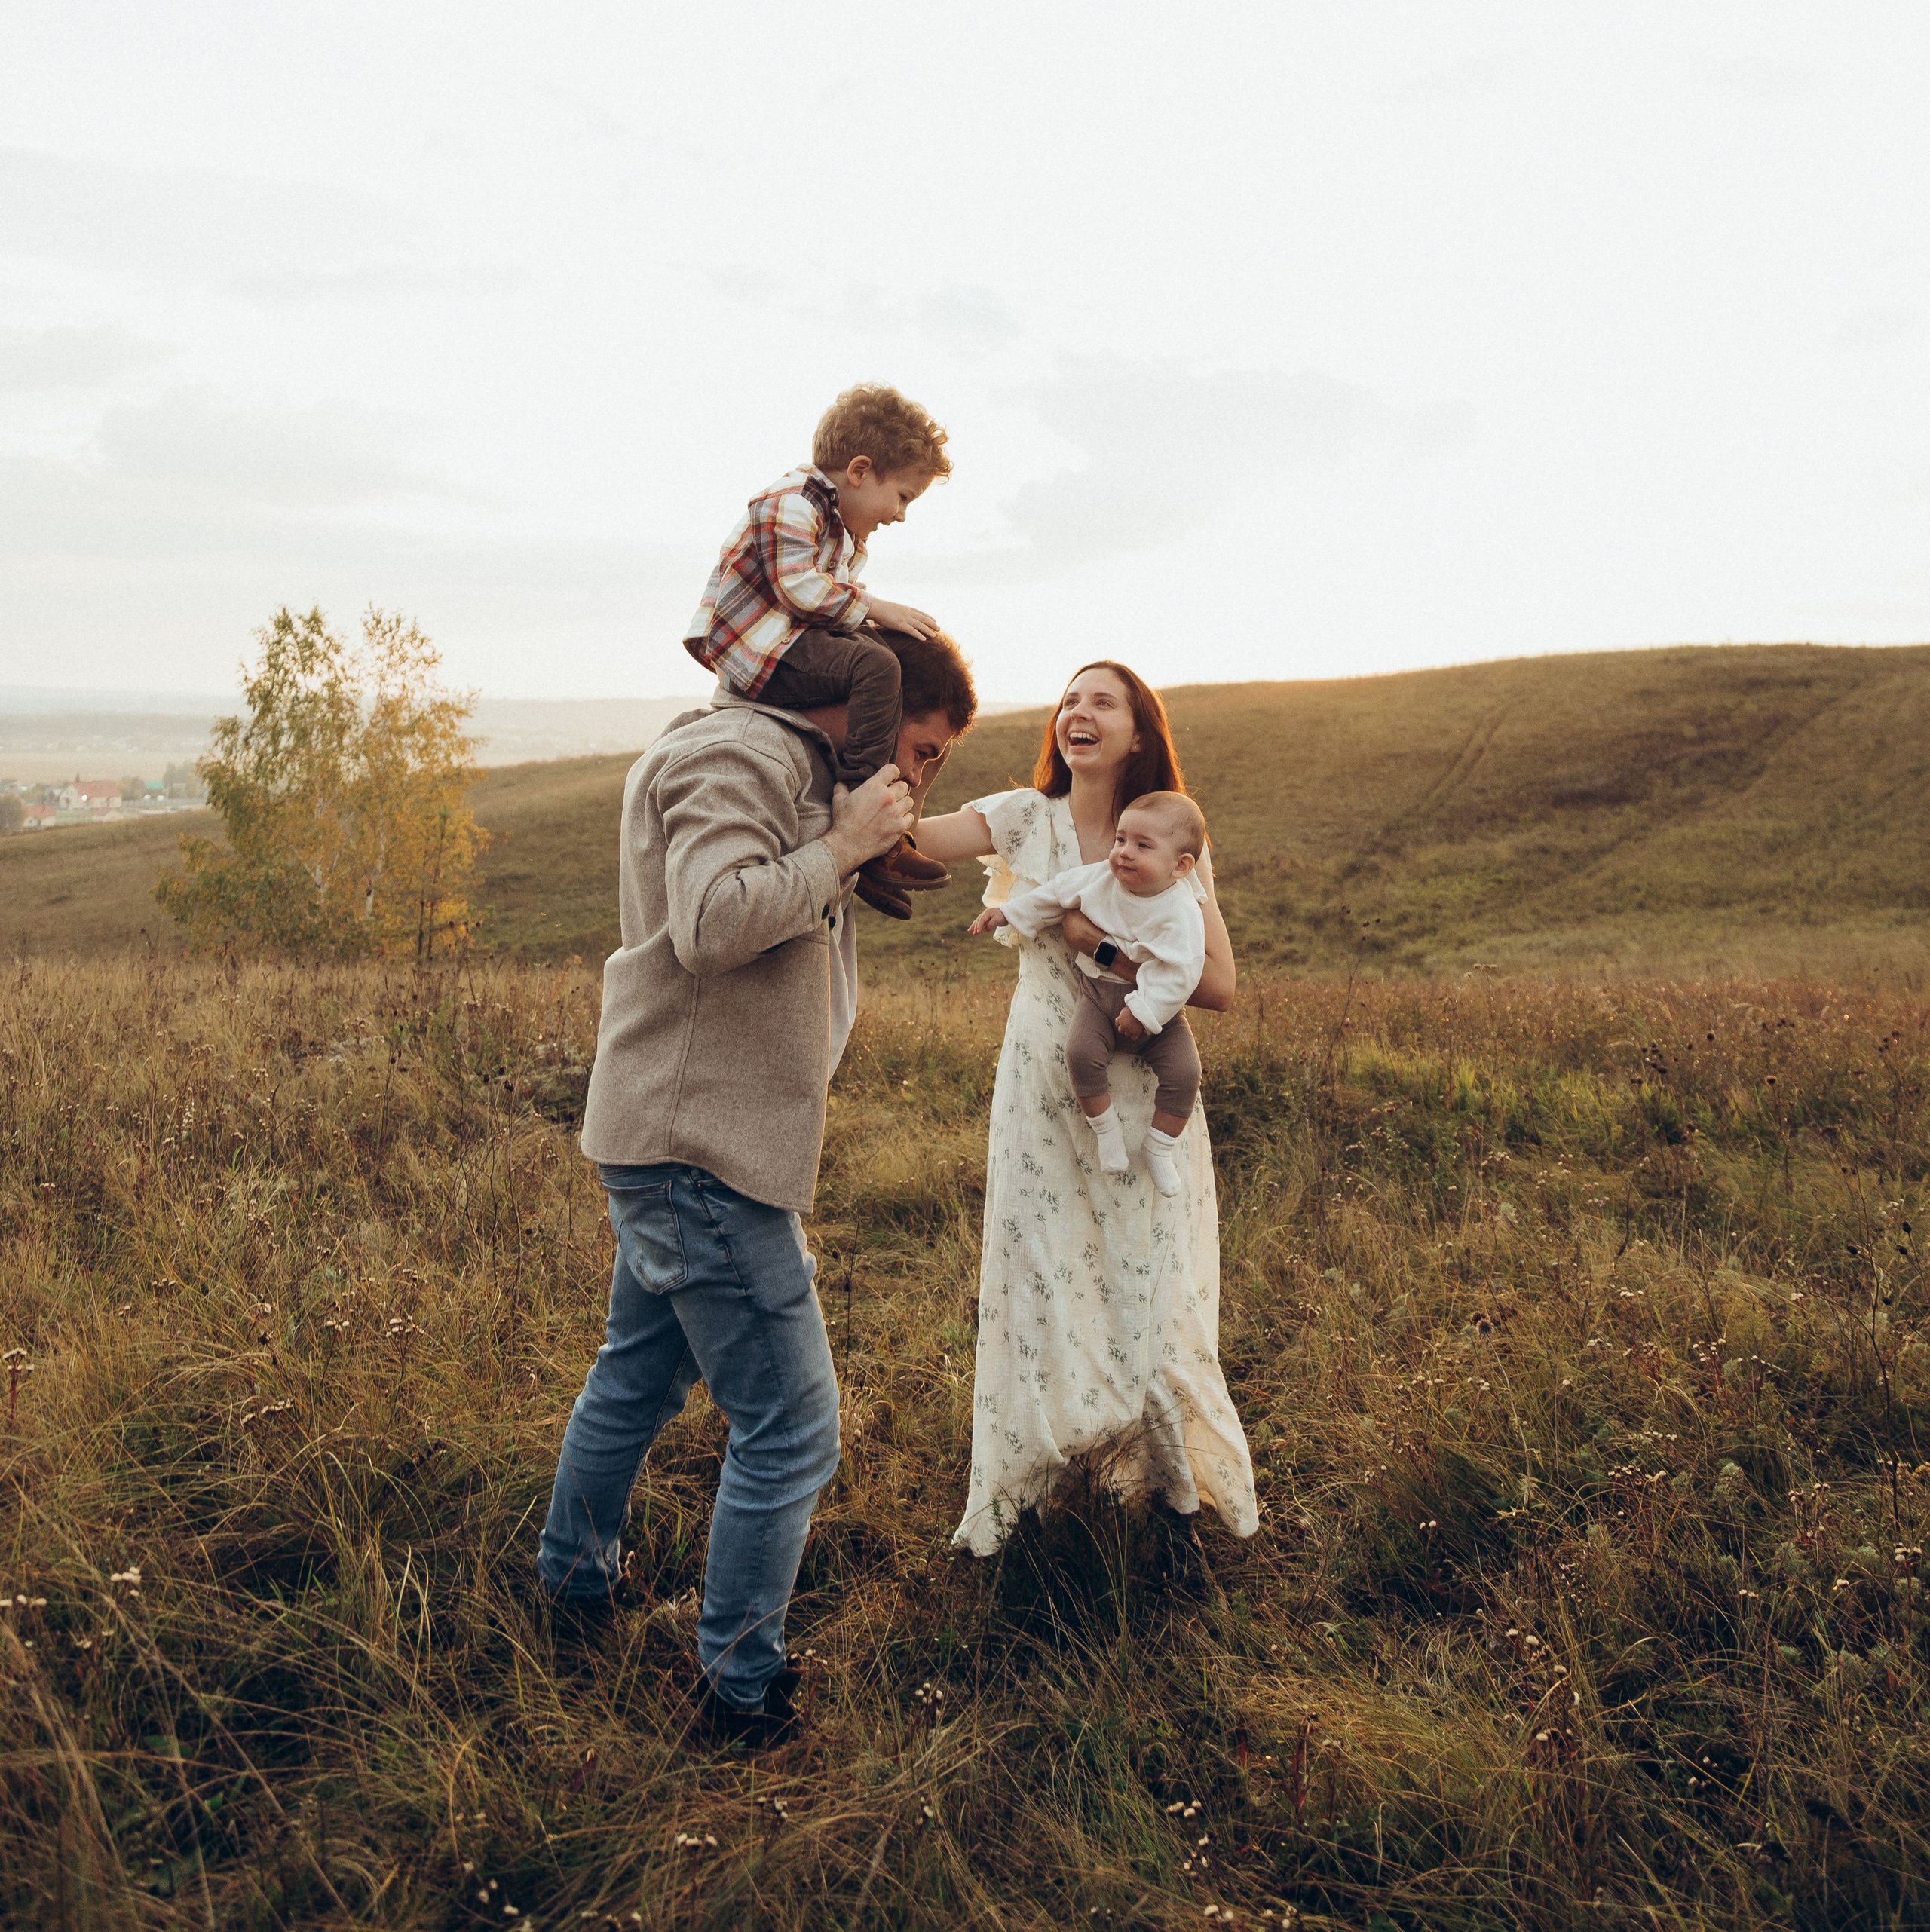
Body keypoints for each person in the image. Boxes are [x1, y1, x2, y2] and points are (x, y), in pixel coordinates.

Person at [537, 629, 977, 1743]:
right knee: (792, 1425)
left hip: (691, 1134)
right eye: (922, 750)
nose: (917, 781)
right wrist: (842, 844)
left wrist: (851, 838)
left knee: (638, 1374)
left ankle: (571, 1589)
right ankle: (740, 1691)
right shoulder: (739, 754)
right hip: (701, 1148)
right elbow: (713, 922)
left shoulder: (781, 759)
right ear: (870, 709)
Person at [915, 662, 1258, 1557]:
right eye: (1069, 699)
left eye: (1102, 701)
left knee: (1145, 1283)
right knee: (1039, 1278)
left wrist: (1098, 945)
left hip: (1141, 1091)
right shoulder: (1022, 818)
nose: (1078, 711)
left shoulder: (1169, 838)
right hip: (1041, 1085)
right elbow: (908, 835)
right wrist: (897, 747)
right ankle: (1032, 1499)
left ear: (1139, 734)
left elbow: (1219, 984)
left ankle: (1163, 1501)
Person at [682, 383, 956, 920]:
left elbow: (830, 603)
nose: (901, 515)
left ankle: (877, 845)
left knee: (900, 661)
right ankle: (863, 812)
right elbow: (798, 589)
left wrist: (872, 620)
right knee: (877, 663)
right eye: (903, 496)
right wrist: (875, 608)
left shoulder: (841, 529)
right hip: (760, 652)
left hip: (788, 643)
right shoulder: (792, 502)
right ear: (859, 471)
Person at [970, 789, 1208, 1196]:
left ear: (1180, 866)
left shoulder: (1180, 910)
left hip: (1160, 1015)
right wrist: (1006, 912)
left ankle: (1159, 1146)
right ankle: (1106, 1130)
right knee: (1080, 1054)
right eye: (1121, 839)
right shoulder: (1101, 878)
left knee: (1186, 1074)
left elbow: (1183, 971)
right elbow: (1052, 895)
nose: (1124, 852)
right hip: (1098, 996)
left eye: (1143, 846)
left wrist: (1144, 1011)